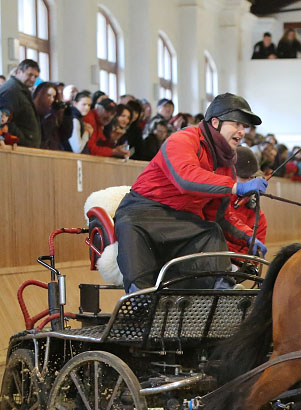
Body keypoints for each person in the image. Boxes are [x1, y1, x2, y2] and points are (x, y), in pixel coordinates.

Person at [113, 93, 268, 293]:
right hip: (143, 213)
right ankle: (139, 298)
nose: (242, 131)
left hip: (184, 221)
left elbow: (218, 215)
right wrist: (236, 187)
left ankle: (219, 291)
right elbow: (185, 178)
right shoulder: (183, 139)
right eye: (237, 124)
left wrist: (248, 236)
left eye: (244, 127)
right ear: (215, 122)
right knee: (131, 228)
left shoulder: (226, 165)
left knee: (211, 230)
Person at [215, 145, 269, 258]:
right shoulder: (215, 201)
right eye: (245, 177)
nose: (250, 182)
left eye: (252, 177)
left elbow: (254, 258)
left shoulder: (259, 217)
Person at [0, 59, 41, 147]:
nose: (33, 79)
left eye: (35, 76)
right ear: (18, 72)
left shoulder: (22, 90)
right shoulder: (11, 90)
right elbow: (5, 120)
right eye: (30, 75)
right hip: (18, 146)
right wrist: (22, 139)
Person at [33, 81, 70, 150]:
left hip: (54, 149)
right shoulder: (33, 112)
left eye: (54, 96)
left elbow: (65, 135)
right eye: (49, 95)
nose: (52, 99)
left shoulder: (55, 112)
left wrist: (67, 116)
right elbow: (44, 133)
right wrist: (52, 115)